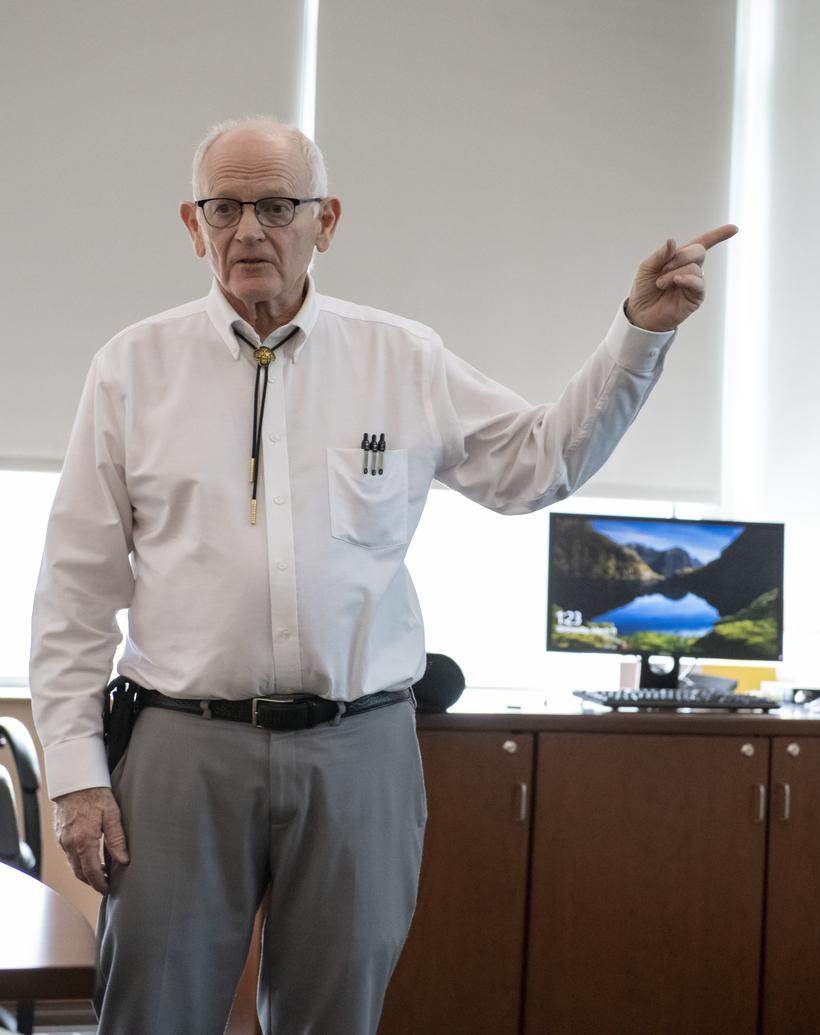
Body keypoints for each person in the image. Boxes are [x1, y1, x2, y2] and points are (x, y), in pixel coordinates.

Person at [29, 116, 735, 1034]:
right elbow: (74, 590)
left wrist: (637, 332)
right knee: (151, 1014)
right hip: (180, 747)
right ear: (190, 222)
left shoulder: (401, 358)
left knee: (336, 1019)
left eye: (276, 205)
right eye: (226, 206)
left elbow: (538, 462)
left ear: (324, 220)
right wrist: (80, 777)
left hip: (358, 750)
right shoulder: (132, 368)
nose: (250, 229)